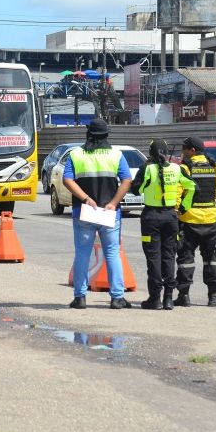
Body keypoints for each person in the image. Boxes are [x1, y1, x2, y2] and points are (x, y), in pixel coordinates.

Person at [62, 118, 133, 310]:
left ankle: (80, 298)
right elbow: (126, 180)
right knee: (112, 253)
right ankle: (117, 298)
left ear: (88, 134)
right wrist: (113, 203)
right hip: (110, 213)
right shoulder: (116, 155)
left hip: (84, 211)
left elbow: (67, 180)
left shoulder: (76, 154)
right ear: (106, 135)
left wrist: (86, 199)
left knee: (82, 253)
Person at [131, 139, 195, 310]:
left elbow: (136, 189)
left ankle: (155, 298)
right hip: (171, 217)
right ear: (167, 153)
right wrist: (183, 207)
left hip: (151, 217)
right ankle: (168, 298)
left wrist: (146, 171)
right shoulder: (176, 168)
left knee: (153, 258)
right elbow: (192, 186)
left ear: (150, 154)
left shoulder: (148, 168)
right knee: (169, 257)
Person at [174, 136, 216, 307]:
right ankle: (213, 296)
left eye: (184, 149)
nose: (183, 152)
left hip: (189, 220)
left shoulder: (185, 168)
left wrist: (176, 211)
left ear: (193, 150)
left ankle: (184, 296)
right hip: (211, 220)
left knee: (185, 259)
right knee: (211, 259)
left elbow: (178, 193)